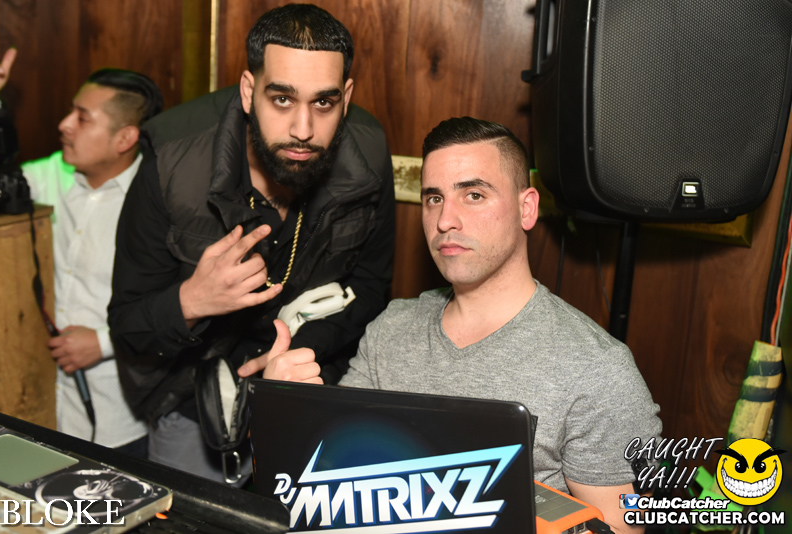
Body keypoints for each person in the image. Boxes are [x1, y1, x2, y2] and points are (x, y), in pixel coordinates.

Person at [251, 117, 661, 533]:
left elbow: (622, 527)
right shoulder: (392, 329)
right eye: (434, 198)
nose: (446, 219)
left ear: (526, 208)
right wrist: (287, 414)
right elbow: (331, 479)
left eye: (474, 195)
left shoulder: (597, 368)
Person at [108, 3, 395, 482]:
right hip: (194, 399)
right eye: (281, 99)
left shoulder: (367, 148)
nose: (303, 130)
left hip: (310, 378)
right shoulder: (173, 160)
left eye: (324, 103)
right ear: (248, 91)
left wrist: (297, 349)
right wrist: (193, 301)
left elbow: (371, 286)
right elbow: (128, 325)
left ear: (345, 98)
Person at [0, 48, 164, 456]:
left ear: (125, 138)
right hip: (39, 405)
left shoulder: (158, 201)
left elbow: (179, 306)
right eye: (71, 111)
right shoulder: (52, 173)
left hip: (120, 420)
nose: (64, 124)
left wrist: (104, 343)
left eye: (82, 118)